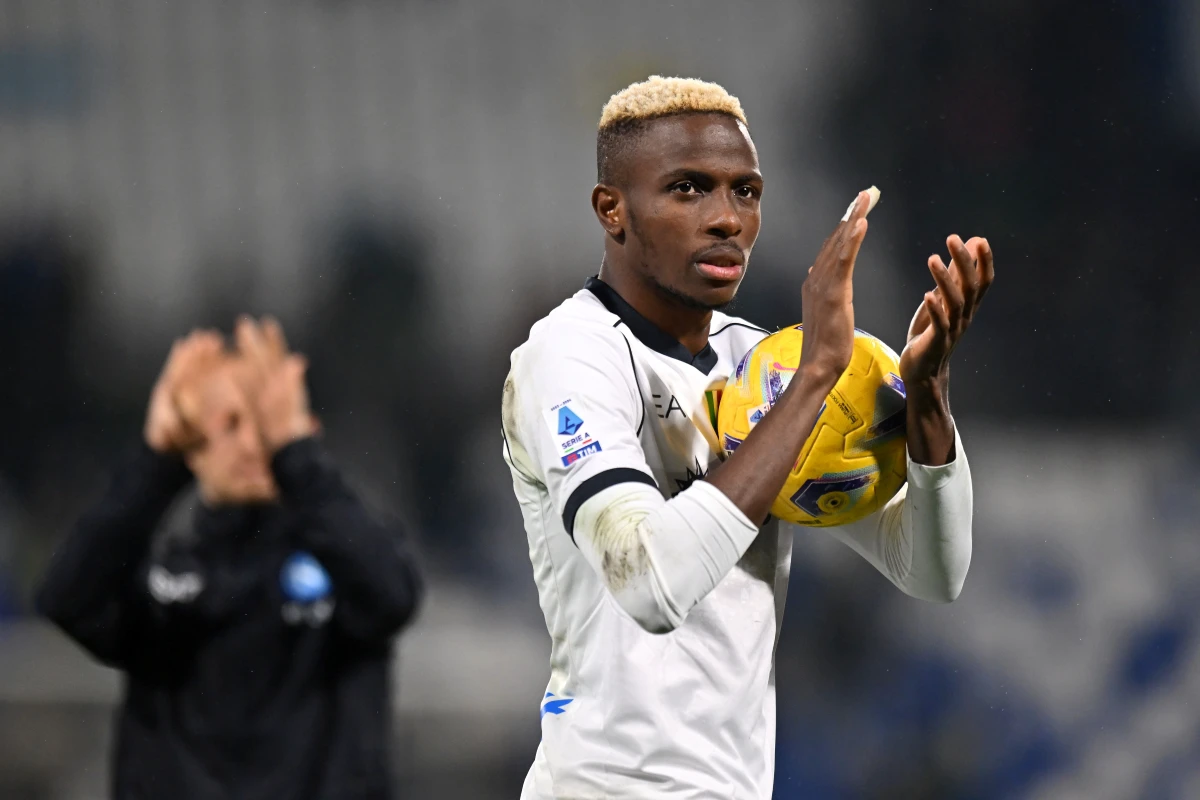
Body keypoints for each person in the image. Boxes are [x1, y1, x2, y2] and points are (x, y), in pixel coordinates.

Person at [500, 76, 993, 799]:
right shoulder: (570, 356)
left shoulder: (765, 367)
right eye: (689, 189)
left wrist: (927, 398)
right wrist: (819, 373)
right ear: (613, 210)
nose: (727, 219)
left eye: (746, 192)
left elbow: (930, 569)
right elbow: (647, 582)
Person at [36, 317, 422, 800]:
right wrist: (155, 462)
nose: (251, 443)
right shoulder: (158, 579)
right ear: (192, 446)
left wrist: (299, 460)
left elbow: (393, 595)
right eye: (228, 424)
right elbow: (68, 599)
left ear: (303, 428)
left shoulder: (349, 565)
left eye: (265, 422)